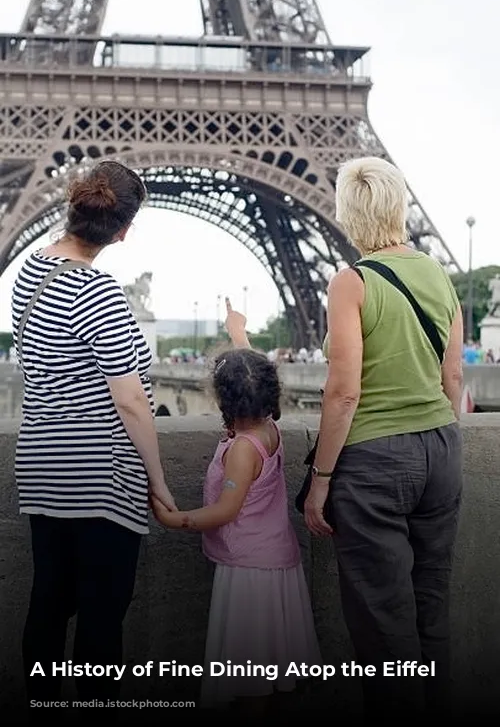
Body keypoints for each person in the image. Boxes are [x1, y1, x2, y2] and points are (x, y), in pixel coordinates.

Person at [11, 160, 177, 723]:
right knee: (103, 619)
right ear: (124, 229)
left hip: (41, 463)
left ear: (73, 205)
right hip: (99, 474)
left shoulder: (31, 272)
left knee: (48, 605)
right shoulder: (99, 289)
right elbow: (131, 400)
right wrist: (158, 483)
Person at [304, 157, 463, 722]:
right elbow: (453, 379)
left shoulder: (352, 281)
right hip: (441, 449)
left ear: (350, 215)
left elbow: (343, 393)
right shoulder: (439, 274)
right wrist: (437, 441)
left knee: (383, 623)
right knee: (430, 608)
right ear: (399, 205)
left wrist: (320, 481)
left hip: (374, 463)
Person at [152, 298, 322, 712]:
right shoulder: (269, 429)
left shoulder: (242, 450)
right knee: (270, 672)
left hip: (250, 570)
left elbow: (226, 510)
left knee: (249, 681)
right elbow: (255, 374)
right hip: (275, 559)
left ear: (223, 400)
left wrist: (177, 520)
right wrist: (238, 334)